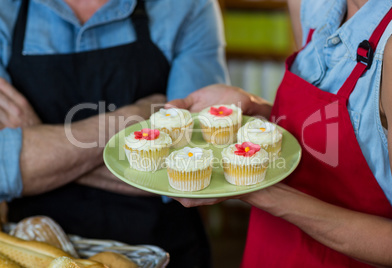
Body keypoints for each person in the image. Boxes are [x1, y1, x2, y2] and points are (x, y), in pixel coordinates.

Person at [168, 0, 392, 267]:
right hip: (268, 248)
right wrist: (254, 109)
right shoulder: (309, 5)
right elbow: (335, 130)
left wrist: (255, 189)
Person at [0, 0, 228, 267]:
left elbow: (190, 168)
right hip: (31, 251)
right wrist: (137, 114)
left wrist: (37, 145)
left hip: (164, 250)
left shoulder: (187, 6)